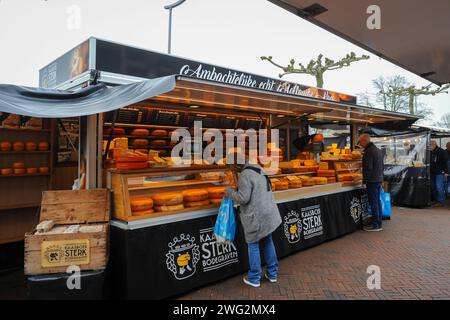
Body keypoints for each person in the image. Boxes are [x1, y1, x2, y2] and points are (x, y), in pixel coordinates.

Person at [225, 154, 282, 288]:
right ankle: (272, 274)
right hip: (268, 212)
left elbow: (243, 198)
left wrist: (229, 192)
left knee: (253, 245)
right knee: (268, 241)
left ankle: (254, 277)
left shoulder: (245, 174)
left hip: (256, 216)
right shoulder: (258, 168)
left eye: (233, 168)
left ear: (237, 166)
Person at [359, 134, 384, 232]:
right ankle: (378, 223)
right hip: (378, 179)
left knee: (374, 202)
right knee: (377, 202)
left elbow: (368, 168)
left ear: (364, 141)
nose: (359, 144)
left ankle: (375, 225)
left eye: (360, 142)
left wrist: (364, 181)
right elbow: (382, 166)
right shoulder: (377, 150)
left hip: (372, 180)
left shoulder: (368, 152)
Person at [430, 140, 449, 206]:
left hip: (440, 172)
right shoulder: (430, 152)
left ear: (434, 145)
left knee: (439, 187)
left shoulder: (442, 152)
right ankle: (436, 200)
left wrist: (446, 172)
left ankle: (441, 201)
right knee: (433, 187)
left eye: (430, 145)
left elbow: (446, 162)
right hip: (432, 172)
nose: (429, 147)